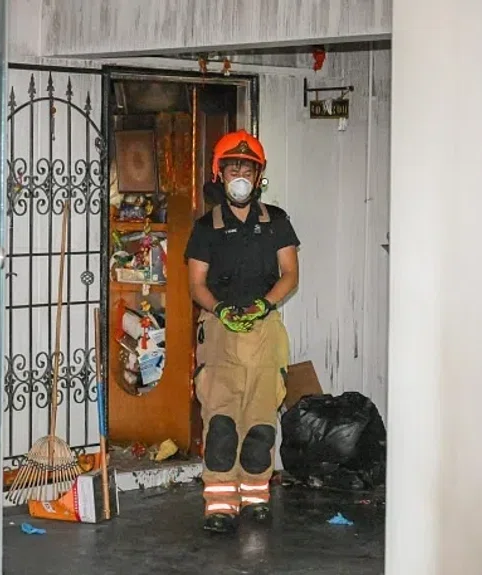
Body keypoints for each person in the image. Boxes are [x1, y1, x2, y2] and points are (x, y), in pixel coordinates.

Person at [184, 130, 300, 534]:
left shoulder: (277, 222)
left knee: (260, 424)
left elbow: (290, 275)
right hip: (220, 333)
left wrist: (264, 304)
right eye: (232, 166)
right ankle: (219, 504)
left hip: (265, 333)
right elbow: (196, 284)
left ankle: (255, 497)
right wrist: (221, 309)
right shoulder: (205, 227)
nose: (240, 174)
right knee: (221, 425)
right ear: (220, 173)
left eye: (247, 167)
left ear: (258, 174)